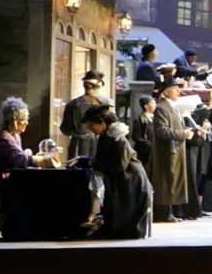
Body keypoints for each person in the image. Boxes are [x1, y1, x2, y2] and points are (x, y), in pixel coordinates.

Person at [82, 105, 151, 239]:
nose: (90, 128)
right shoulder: (105, 138)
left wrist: (94, 164)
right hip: (117, 177)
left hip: (130, 180)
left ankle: (100, 221)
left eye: (92, 124)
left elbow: (118, 166)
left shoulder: (119, 140)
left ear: (102, 124)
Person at [0, 96, 57, 198]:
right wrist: (45, 157)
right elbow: (20, 160)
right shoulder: (4, 138)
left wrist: (28, 153)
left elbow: (18, 157)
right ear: (13, 121)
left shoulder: (15, 136)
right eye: (23, 119)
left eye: (27, 119)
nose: (27, 122)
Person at [150, 79, 201, 223]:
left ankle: (172, 212)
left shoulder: (174, 107)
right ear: (166, 92)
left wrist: (190, 131)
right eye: (175, 88)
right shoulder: (162, 108)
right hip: (168, 151)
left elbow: (175, 127)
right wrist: (183, 134)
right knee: (167, 182)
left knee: (174, 182)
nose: (179, 91)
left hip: (177, 150)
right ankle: (165, 213)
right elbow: (162, 130)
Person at [59, 70, 110, 161]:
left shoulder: (72, 104)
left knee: (76, 168)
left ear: (85, 85)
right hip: (99, 145)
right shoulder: (104, 104)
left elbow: (65, 130)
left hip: (77, 146)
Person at [129, 95, 157, 176]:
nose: (155, 105)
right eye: (153, 103)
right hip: (144, 152)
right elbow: (135, 136)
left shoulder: (156, 118)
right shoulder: (140, 119)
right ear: (146, 106)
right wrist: (147, 144)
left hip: (155, 150)